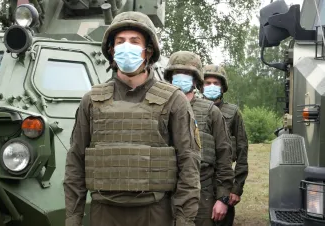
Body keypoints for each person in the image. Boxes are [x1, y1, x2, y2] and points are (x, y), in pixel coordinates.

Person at [63, 12, 202, 226]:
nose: (126, 47)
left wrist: (184, 220)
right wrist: (73, 218)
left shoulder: (174, 100)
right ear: (111, 50)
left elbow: (189, 163)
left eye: (134, 41)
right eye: (120, 42)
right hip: (104, 213)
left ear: (149, 50)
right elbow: (75, 163)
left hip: (154, 213)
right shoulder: (91, 100)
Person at [164, 51, 235, 226]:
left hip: (202, 193)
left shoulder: (211, 112)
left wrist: (222, 198)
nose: (181, 79)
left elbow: (224, 157)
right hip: (164, 193)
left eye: (187, 74)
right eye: (176, 74)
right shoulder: (159, 109)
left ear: (196, 80)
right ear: (169, 78)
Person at [201, 64, 249, 226]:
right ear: (200, 86)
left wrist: (236, 188)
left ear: (223, 87)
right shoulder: (191, 109)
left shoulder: (232, 112)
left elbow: (242, 150)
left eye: (216, 83)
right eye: (207, 83)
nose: (211, 86)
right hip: (200, 180)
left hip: (225, 180)